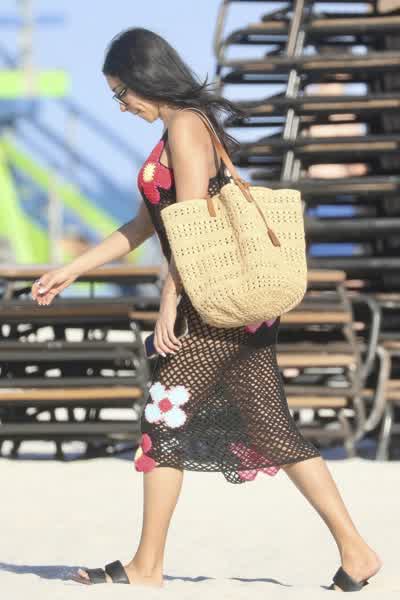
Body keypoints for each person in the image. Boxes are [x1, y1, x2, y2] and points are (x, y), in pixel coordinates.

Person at [31, 27, 382, 591]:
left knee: (163, 417)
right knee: (270, 428)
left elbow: (191, 226)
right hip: (225, 306)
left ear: (146, 78)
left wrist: (168, 304)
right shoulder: (176, 128)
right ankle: (356, 551)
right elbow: (146, 225)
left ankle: (147, 566)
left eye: (122, 93)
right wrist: (73, 269)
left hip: (211, 305)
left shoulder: (186, 125)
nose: (121, 105)